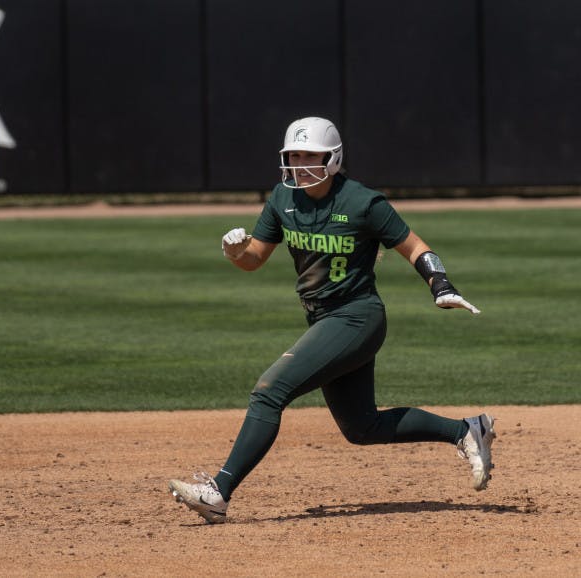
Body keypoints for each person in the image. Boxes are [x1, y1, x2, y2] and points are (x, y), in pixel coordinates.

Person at [166, 117, 496, 524]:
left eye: (311, 156)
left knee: (269, 391)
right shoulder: (282, 200)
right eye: (294, 156)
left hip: (357, 318)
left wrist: (440, 285)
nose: (300, 163)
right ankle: (467, 431)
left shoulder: (362, 202)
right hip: (324, 321)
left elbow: (414, 247)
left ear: (333, 159)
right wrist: (235, 251)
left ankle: (218, 491)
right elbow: (254, 259)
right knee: (362, 427)